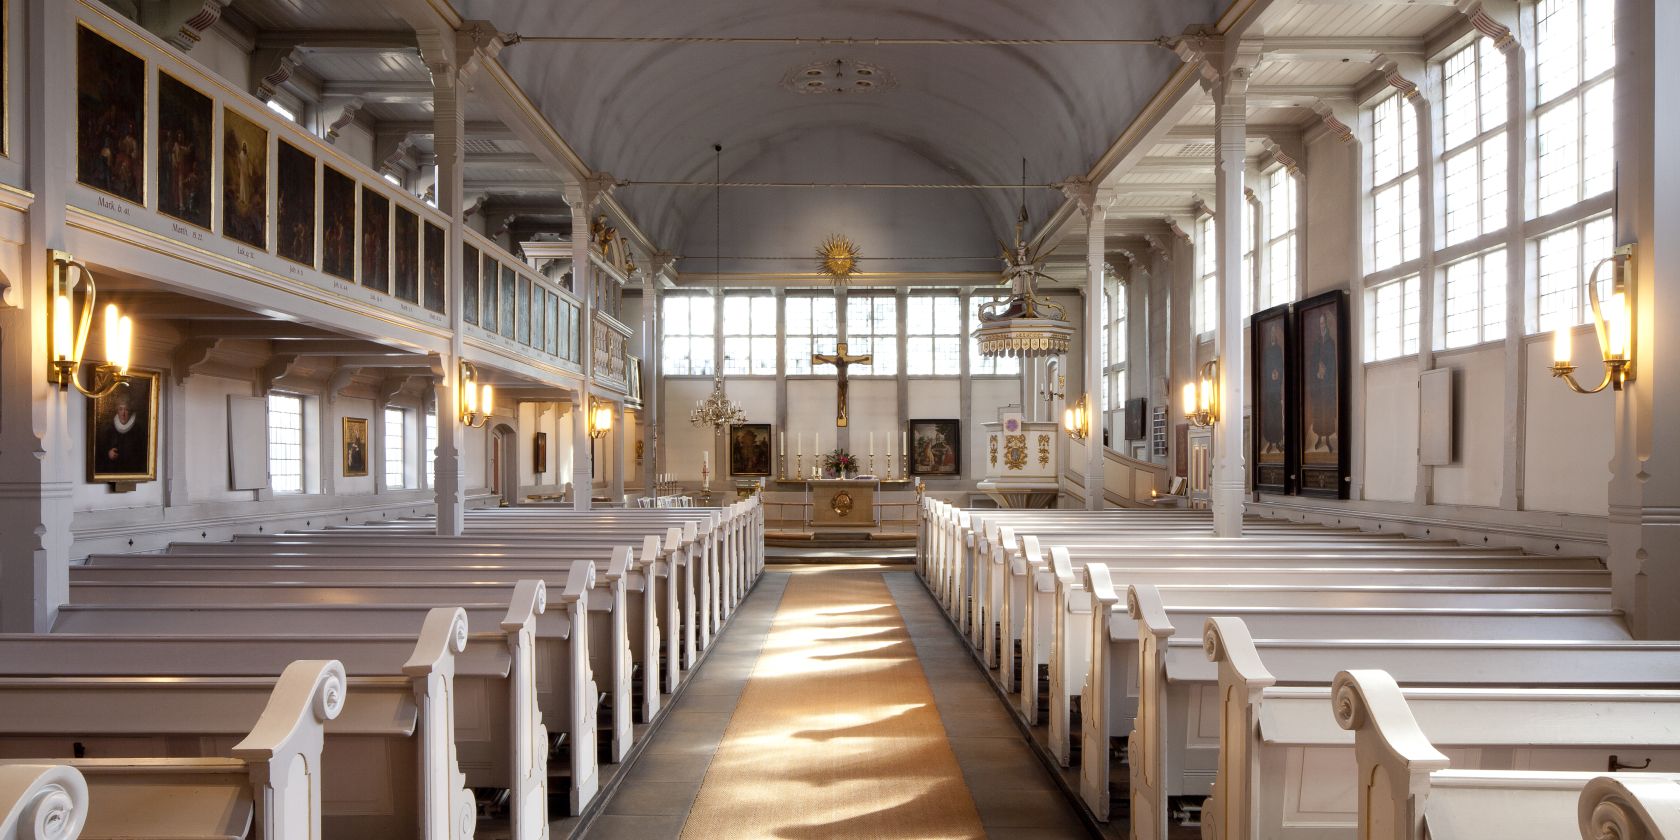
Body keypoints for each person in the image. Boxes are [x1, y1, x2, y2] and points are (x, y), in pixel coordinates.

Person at [96, 388, 146, 475]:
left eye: (126, 409)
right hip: (112, 472)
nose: (123, 414)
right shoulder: (109, 428)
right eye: (120, 409)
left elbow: (142, 455)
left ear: (130, 411)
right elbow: (99, 451)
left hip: (132, 471)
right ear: (117, 411)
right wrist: (108, 453)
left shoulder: (138, 429)